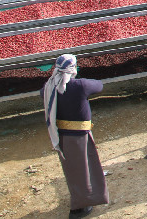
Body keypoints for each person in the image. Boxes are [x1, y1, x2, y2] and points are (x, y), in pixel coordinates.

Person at [41, 54, 109, 218]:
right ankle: (80, 207)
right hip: (79, 136)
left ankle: (82, 200)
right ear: (72, 69)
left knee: (72, 170)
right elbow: (99, 85)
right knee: (84, 170)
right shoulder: (80, 85)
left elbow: (42, 93)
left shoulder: (49, 87)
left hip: (62, 137)